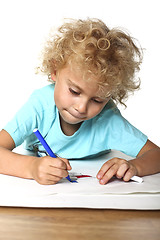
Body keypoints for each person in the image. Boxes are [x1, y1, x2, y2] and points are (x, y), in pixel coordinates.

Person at [0, 18, 159, 185]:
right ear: (55, 71)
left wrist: (134, 166)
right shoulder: (39, 107)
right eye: (74, 91)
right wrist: (32, 168)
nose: (81, 108)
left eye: (97, 100)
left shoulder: (108, 120)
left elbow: (156, 154)